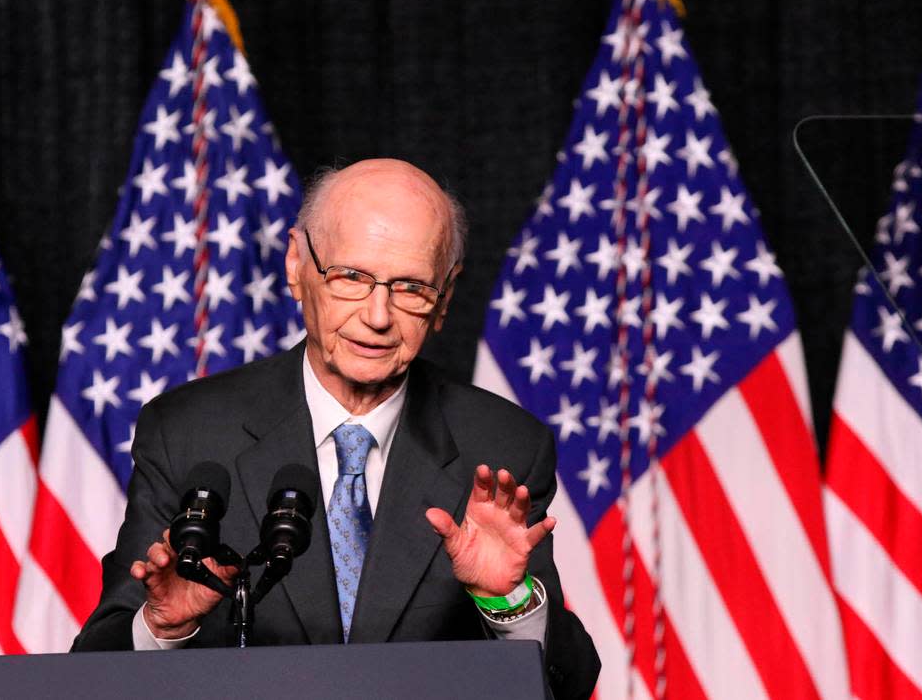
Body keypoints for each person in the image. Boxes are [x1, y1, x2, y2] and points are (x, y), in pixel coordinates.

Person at [71, 158, 601, 698]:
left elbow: (570, 683)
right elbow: (91, 674)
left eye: (412, 287)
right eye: (351, 277)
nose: (377, 315)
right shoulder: (187, 432)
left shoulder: (504, 447)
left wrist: (504, 601)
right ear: (298, 264)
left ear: (445, 298)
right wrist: (165, 627)